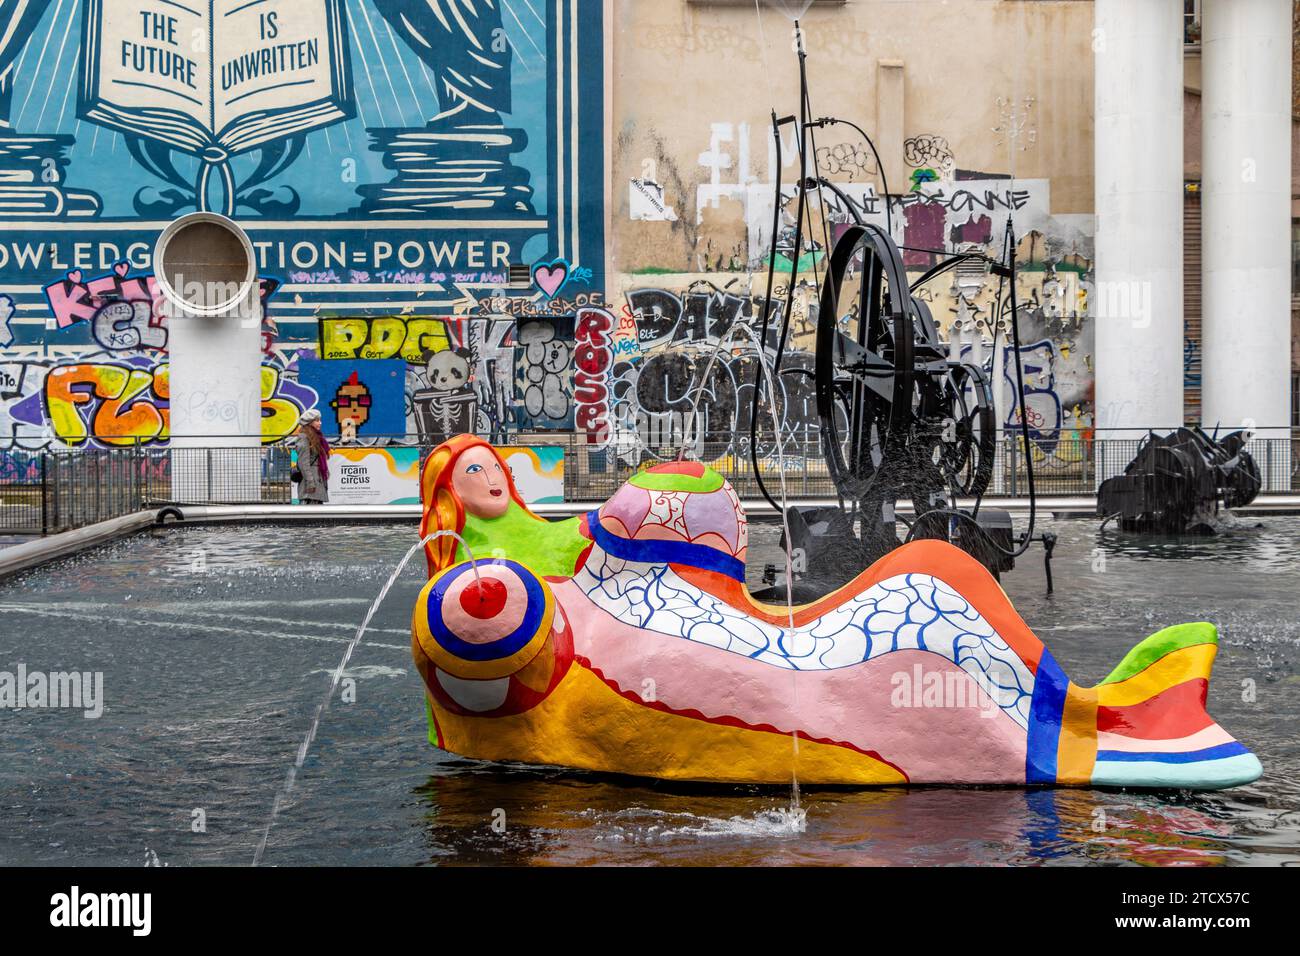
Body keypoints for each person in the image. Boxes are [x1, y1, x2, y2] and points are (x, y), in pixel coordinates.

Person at [420, 435, 588, 577]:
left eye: (497, 467)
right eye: (475, 469)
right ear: (448, 488)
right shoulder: (460, 547)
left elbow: (567, 537)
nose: (492, 479)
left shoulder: (532, 528)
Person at [293, 409, 331, 504]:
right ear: (309, 423)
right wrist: (310, 482)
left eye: (320, 420)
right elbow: (303, 463)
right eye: (317, 420)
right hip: (310, 485)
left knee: (317, 515)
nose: (320, 423)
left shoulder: (317, 437)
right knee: (309, 514)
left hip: (317, 481)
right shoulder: (304, 438)